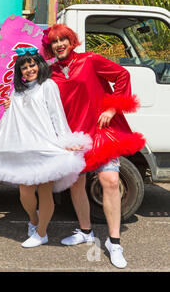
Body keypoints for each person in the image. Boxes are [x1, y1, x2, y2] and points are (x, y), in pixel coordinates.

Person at [41, 24, 146, 268]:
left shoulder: (90, 60)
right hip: (73, 137)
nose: (59, 45)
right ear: (50, 47)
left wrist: (112, 108)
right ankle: (85, 232)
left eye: (63, 40)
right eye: (54, 42)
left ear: (71, 41)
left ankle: (114, 242)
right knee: (76, 183)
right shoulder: (50, 71)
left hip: (100, 132)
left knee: (109, 181)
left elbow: (122, 75)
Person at [0, 47, 91, 248]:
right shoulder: (17, 92)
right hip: (23, 149)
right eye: (24, 67)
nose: (28, 69)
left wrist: (66, 141)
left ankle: (42, 233)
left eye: (32, 64)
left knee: (45, 192)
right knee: (25, 193)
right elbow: (9, 121)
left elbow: (57, 115)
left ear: (39, 65)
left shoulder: (48, 85)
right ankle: (34, 222)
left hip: (45, 147)